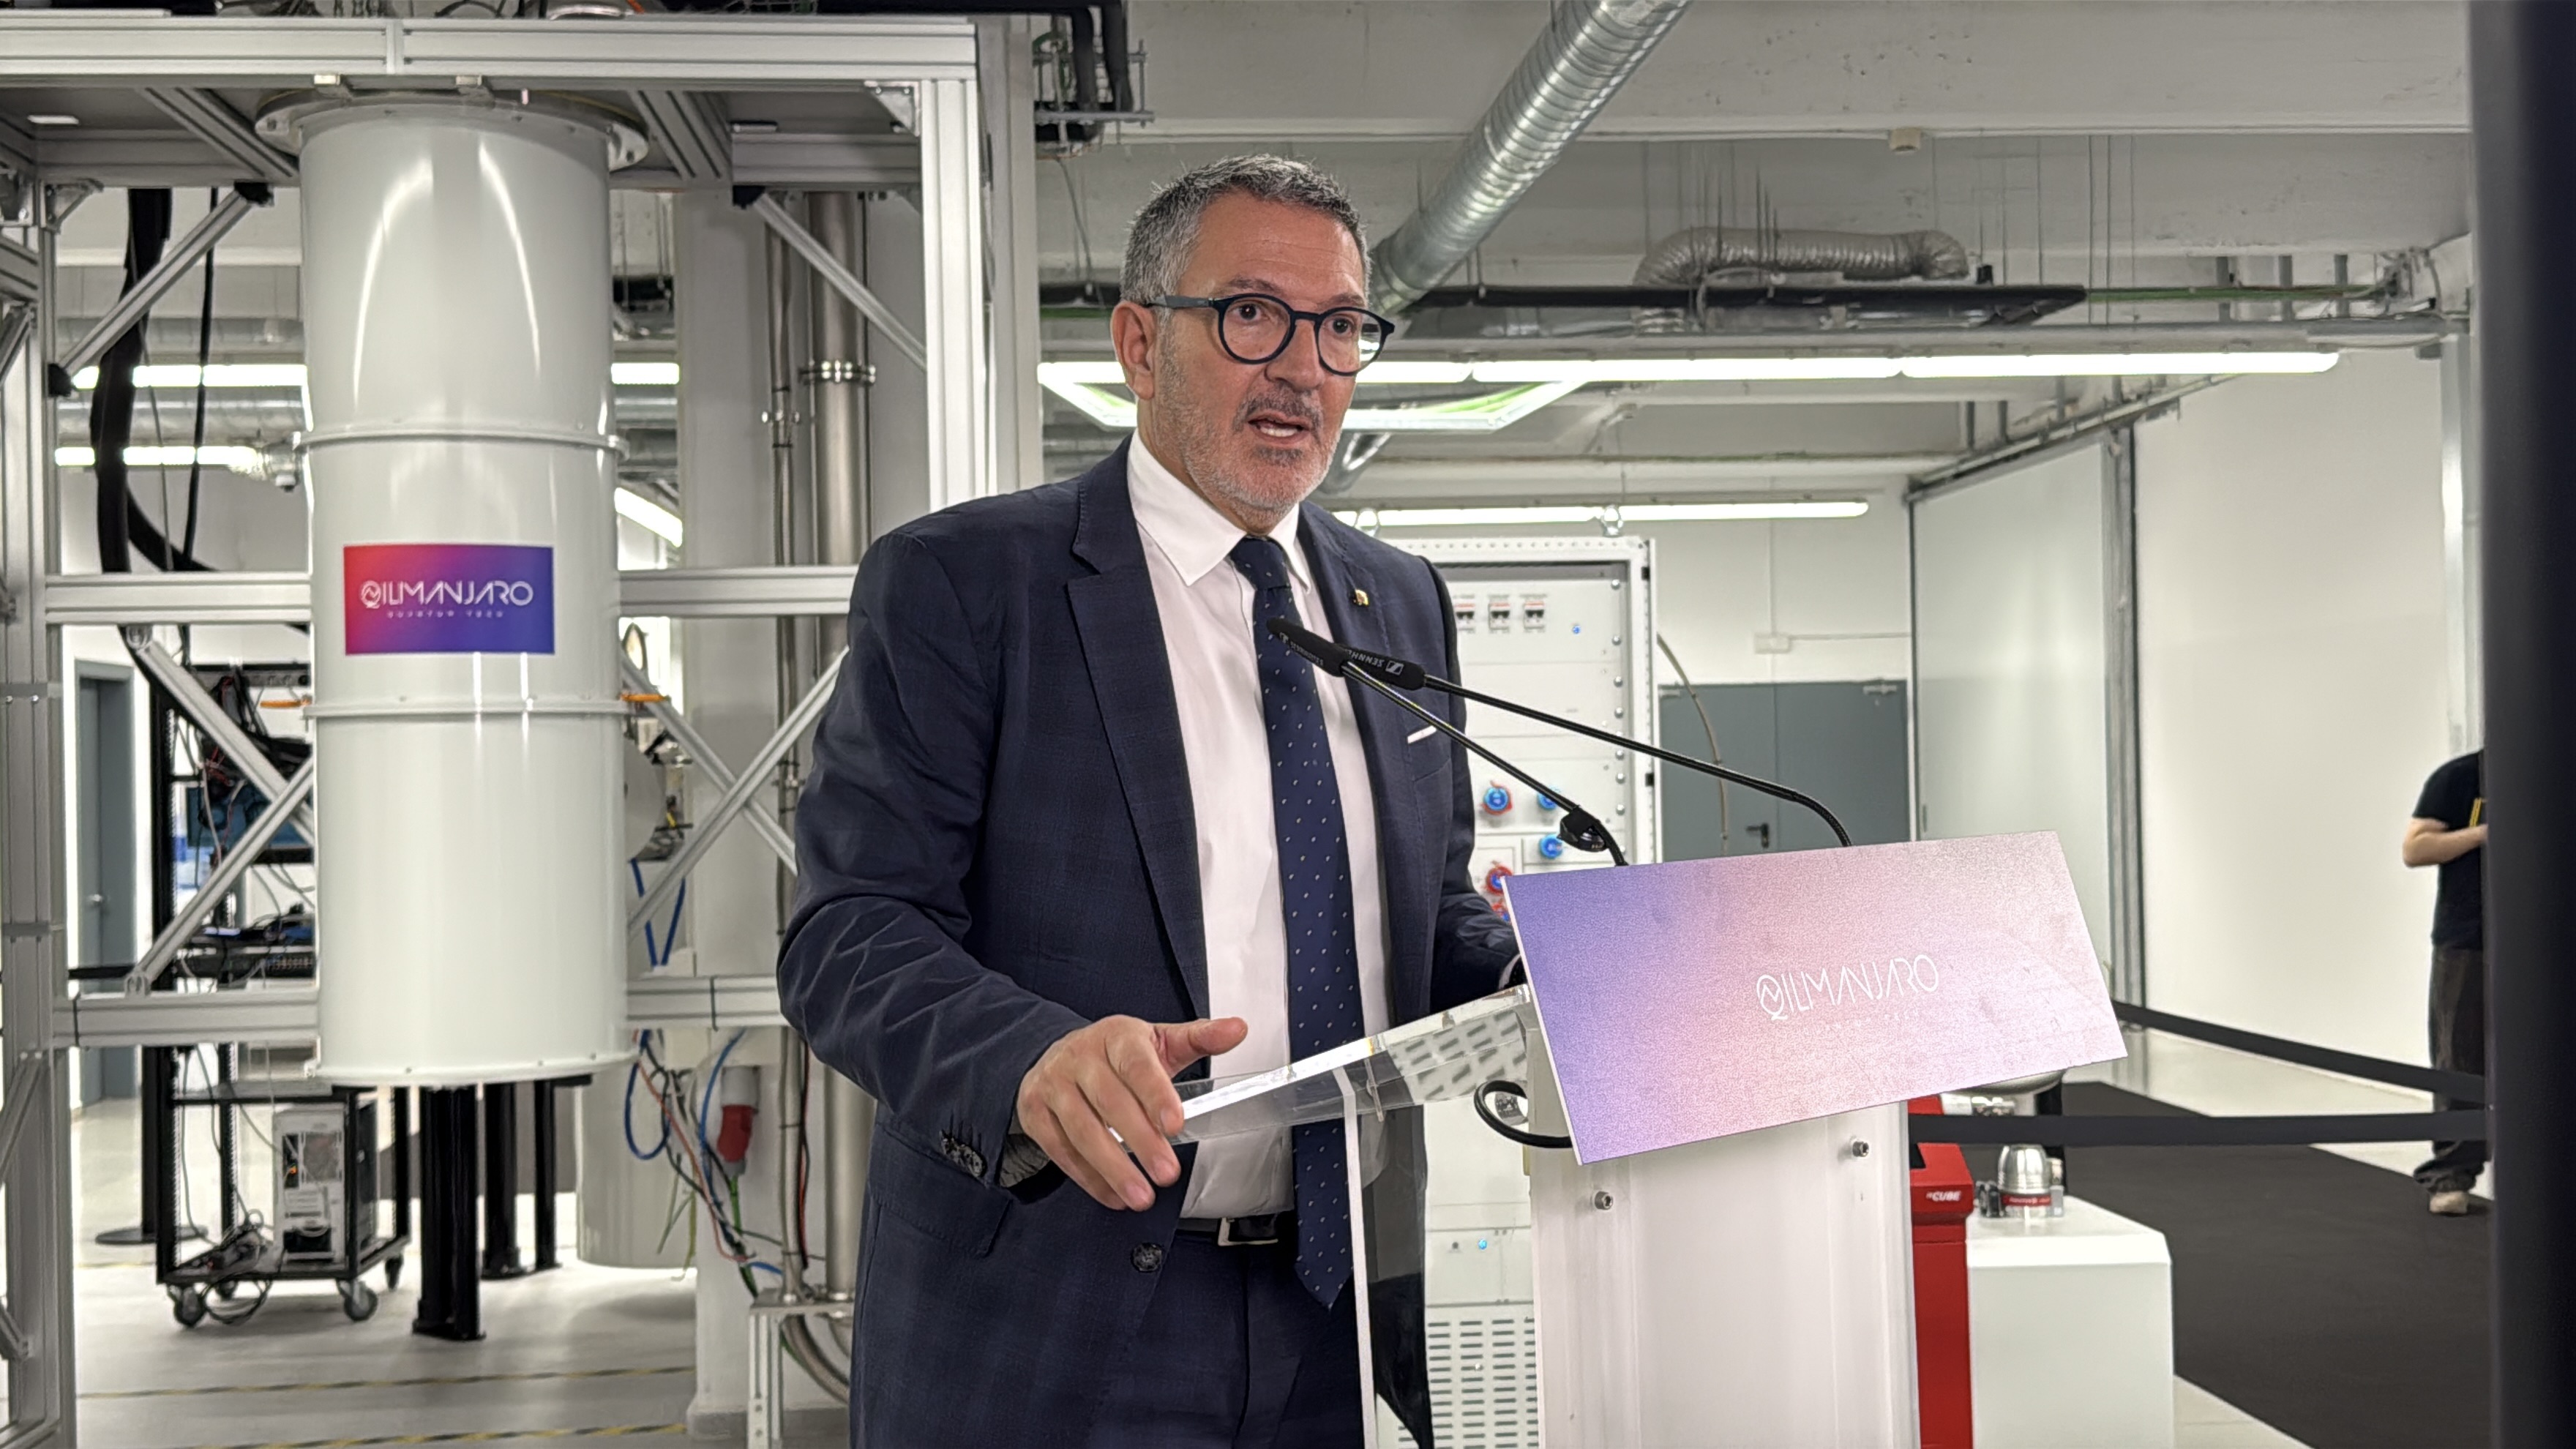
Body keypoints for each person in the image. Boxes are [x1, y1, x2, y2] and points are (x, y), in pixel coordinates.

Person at [777, 156, 1520, 1449]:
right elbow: (847, 936)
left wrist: (1546, 973)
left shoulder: (1396, 603)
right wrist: (1028, 1059)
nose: (1300, 367)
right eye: (1251, 314)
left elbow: (1417, 914)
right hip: (1051, 1317)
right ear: (1139, 340)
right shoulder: (968, 585)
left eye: (1339, 327)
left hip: (1328, 1308)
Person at [2402, 748, 2486, 1216]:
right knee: (2461, 1058)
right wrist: (2485, 834)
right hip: (2468, 938)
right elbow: (2415, 849)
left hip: (2544, 938)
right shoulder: (2459, 777)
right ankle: (2451, 1175)